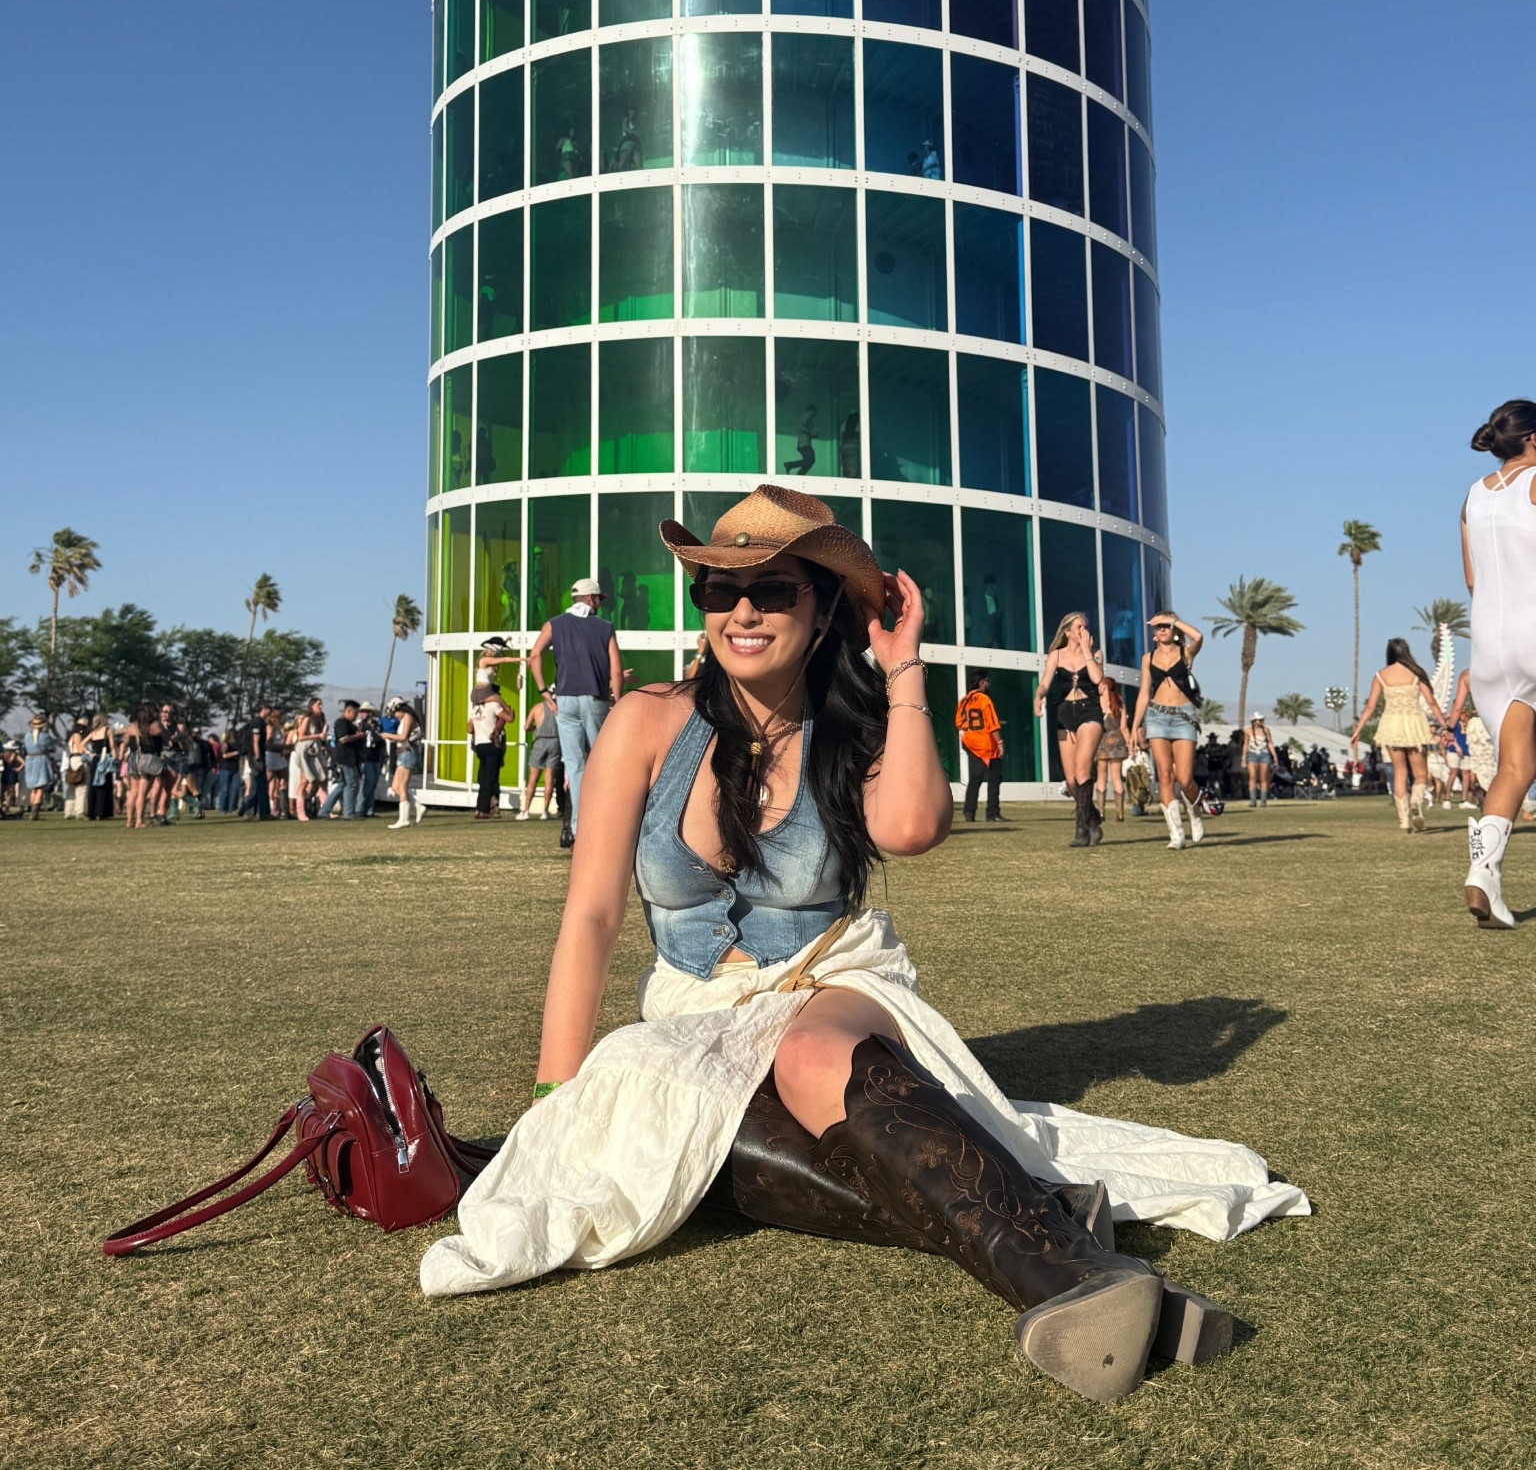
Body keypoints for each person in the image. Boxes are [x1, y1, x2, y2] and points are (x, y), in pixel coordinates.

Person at [419, 484, 1309, 1403]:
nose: (744, 612)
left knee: (805, 1059)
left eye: (774, 591)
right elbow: (592, 914)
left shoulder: (858, 725)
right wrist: (553, 1098)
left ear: (825, 607)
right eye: (720, 592)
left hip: (828, 979)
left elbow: (916, 828)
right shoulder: (648, 720)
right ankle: (1044, 1214)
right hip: (693, 1006)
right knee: (689, 1142)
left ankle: (1071, 1279)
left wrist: (906, 668)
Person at [1461, 400, 1536, 927]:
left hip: (1488, 641)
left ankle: (1483, 873)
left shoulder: (1471, 496)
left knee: (1516, 767)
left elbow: (1471, 580)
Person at [527, 577, 623, 838]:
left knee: (575, 766)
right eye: (599, 599)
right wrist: (616, 697)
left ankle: (578, 829)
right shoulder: (605, 627)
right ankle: (609, 824)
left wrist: (543, 691)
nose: (600, 604)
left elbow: (534, 655)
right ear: (592, 599)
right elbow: (616, 669)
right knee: (604, 762)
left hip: (565, 699)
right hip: (595, 698)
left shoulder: (555, 624)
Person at [1349, 641, 1447, 834]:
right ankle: (1415, 802)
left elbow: (1370, 706)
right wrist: (1445, 725)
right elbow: (1431, 702)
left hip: (1391, 725)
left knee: (1399, 773)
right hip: (1414, 723)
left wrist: (1358, 729)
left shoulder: (1381, 675)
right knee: (1420, 774)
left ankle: (1403, 820)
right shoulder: (1416, 673)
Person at [1129, 613, 1207, 850]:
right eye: (1158, 627)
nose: (1162, 630)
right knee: (1164, 775)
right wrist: (1135, 727)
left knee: (1184, 779)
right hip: (1157, 716)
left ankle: (1194, 812)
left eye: (1166, 626)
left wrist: (1172, 620)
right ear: (1153, 633)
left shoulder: (1186, 653)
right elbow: (1144, 693)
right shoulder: (1148, 658)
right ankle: (1176, 834)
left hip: (1184, 717)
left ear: (1173, 629)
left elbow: (1199, 636)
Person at [1034, 614, 1106, 847]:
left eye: (1085, 626)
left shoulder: (1094, 654)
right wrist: (1039, 695)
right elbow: (1045, 681)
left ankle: (1081, 830)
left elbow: (1097, 678)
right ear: (1067, 631)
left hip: (1089, 712)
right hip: (1065, 713)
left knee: (1083, 771)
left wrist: (1087, 650)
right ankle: (1093, 818)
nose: (1083, 630)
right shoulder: (1056, 655)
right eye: (1078, 627)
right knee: (1072, 781)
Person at [956, 673, 1004, 823]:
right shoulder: (984, 699)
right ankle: (992, 813)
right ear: (982, 682)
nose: (988, 684)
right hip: (986, 744)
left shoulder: (964, 700)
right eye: (987, 681)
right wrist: (1000, 743)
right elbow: (992, 724)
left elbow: (959, 723)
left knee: (975, 779)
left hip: (970, 742)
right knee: (994, 778)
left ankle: (969, 812)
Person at [470, 670, 513, 819]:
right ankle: (484, 810)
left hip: (479, 744)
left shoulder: (475, 708)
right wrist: (508, 709)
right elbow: (509, 718)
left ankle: (479, 808)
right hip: (491, 744)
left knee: (483, 777)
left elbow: (469, 728)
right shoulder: (494, 705)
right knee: (490, 778)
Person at [517, 688, 561, 819]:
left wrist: (535, 728)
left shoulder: (537, 708)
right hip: (555, 742)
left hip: (540, 742)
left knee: (532, 779)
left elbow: (526, 727)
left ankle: (525, 810)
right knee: (549, 778)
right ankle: (545, 811)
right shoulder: (558, 709)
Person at [318, 702, 365, 820]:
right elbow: (343, 739)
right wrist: (357, 736)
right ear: (349, 711)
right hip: (345, 758)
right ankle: (348, 812)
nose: (356, 716)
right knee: (352, 784)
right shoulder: (341, 723)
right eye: (355, 713)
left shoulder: (349, 724)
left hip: (348, 758)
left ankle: (324, 811)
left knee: (342, 784)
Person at [384, 697, 426, 828]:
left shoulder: (408, 717)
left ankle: (404, 819)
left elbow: (403, 737)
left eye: (395, 713)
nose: (395, 716)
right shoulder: (403, 719)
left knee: (402, 786)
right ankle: (417, 806)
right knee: (395, 787)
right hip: (403, 753)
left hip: (408, 754)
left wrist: (387, 735)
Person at [1095, 683, 1130, 825]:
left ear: (1104, 687)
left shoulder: (1097, 702)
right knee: (1116, 777)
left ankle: (1101, 811)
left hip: (1101, 741)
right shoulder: (1119, 702)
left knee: (1101, 776)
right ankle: (1120, 813)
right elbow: (1124, 727)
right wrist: (1129, 744)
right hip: (1117, 741)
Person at [1241, 714, 1278, 809]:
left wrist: (1274, 756)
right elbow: (1246, 744)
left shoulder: (1266, 730)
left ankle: (1263, 801)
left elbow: (1270, 743)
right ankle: (1253, 801)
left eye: (1262, 720)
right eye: (1259, 720)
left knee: (1264, 777)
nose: (1261, 722)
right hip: (1252, 754)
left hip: (1264, 754)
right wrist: (1244, 757)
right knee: (1252, 776)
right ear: (1254, 721)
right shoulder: (1248, 731)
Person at [356, 706, 386, 818]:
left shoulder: (377, 725)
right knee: (367, 784)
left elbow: (381, 739)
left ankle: (369, 809)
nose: (362, 714)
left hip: (376, 757)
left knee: (373, 784)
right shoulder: (360, 725)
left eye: (364, 712)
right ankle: (359, 808)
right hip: (366, 757)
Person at [784, 406, 818, 477]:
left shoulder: (809, 420)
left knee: (809, 462)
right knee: (810, 460)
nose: (815, 415)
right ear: (811, 411)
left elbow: (804, 431)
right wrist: (811, 433)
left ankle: (799, 475)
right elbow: (800, 427)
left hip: (805, 444)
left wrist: (813, 435)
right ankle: (790, 465)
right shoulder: (806, 417)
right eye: (814, 412)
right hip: (804, 444)